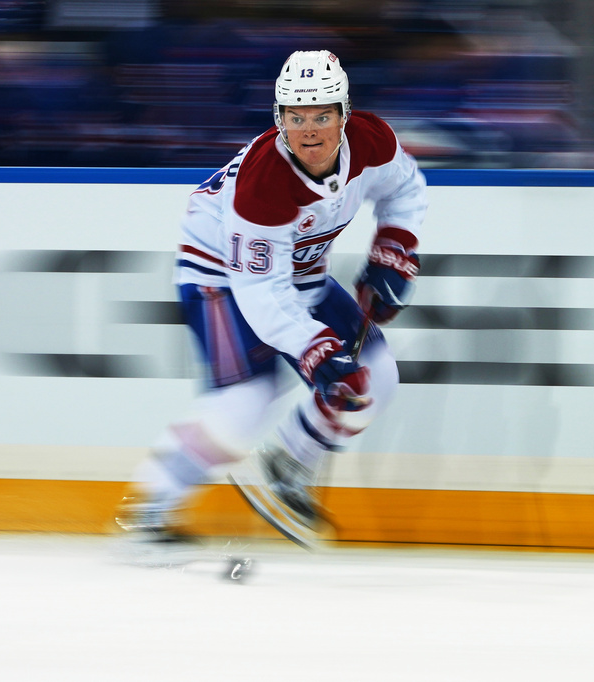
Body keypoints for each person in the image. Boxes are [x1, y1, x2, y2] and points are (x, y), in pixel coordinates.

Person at [116, 50, 427, 553]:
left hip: (298, 271)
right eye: (295, 116)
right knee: (245, 405)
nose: (309, 131)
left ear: (345, 114)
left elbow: (405, 189)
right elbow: (260, 293)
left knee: (377, 378)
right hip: (219, 274)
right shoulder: (263, 184)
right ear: (278, 118)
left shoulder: (373, 141)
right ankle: (150, 507)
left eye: (322, 115)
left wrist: (394, 245)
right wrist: (316, 347)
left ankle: (290, 460)